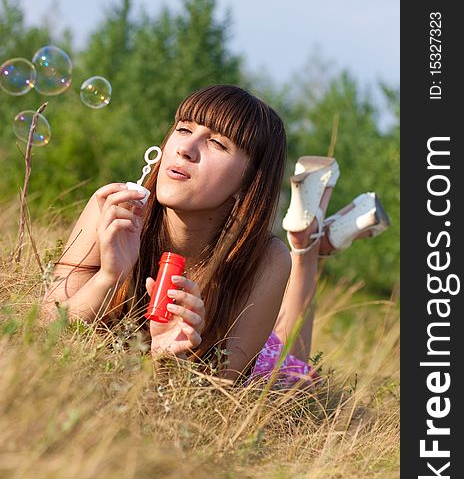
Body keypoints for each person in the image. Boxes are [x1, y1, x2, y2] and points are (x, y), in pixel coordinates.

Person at [42, 84, 389, 385]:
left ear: (247, 184)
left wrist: (172, 360)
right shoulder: (113, 209)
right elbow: (44, 328)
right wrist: (109, 276)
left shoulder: (265, 257)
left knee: (292, 372)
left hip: (254, 365)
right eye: (182, 129)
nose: (185, 148)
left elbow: (221, 400)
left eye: (218, 144)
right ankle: (313, 238)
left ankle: (306, 248)